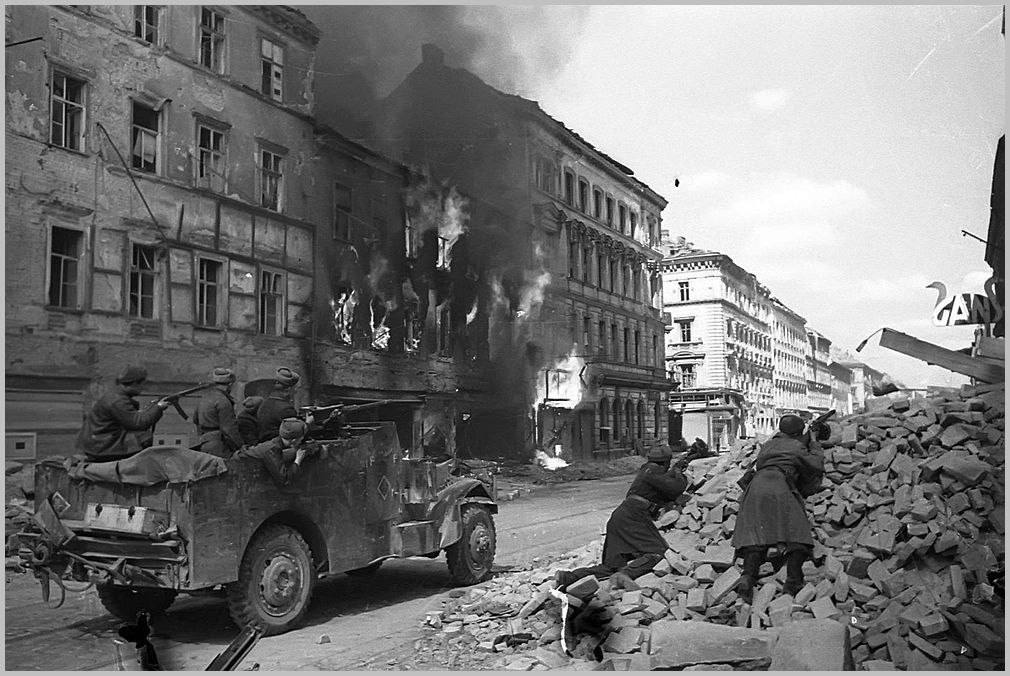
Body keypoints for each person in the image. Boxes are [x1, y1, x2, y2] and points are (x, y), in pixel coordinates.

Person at [554, 446, 688, 591]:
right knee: (659, 553)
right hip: (634, 517)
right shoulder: (652, 470)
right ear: (665, 462)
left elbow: (665, 484)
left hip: (621, 517)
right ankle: (624, 575)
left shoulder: (649, 471)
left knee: (611, 567)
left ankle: (570, 577)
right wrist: (678, 471)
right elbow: (676, 488)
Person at [732, 414, 826, 602]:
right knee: (797, 532)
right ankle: (793, 580)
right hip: (778, 485)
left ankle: (747, 577)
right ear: (800, 432)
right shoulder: (797, 445)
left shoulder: (768, 445)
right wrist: (814, 441)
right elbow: (816, 465)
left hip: (756, 488)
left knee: (755, 537)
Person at [76, 366, 171, 461]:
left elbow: (130, 416)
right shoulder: (118, 401)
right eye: (141, 384)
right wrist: (159, 407)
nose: (143, 387)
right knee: (145, 438)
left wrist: (150, 409)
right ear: (133, 383)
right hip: (102, 446)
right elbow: (139, 423)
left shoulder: (114, 396)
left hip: (97, 443)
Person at [232, 418, 315, 487]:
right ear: (293, 440)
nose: (301, 441)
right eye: (301, 439)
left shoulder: (275, 443)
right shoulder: (272, 449)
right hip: (236, 475)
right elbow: (284, 480)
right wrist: (298, 460)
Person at [256, 368, 300, 442]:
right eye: (295, 388)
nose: (296, 392)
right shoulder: (286, 409)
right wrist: (308, 423)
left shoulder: (265, 403)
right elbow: (295, 434)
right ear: (288, 389)